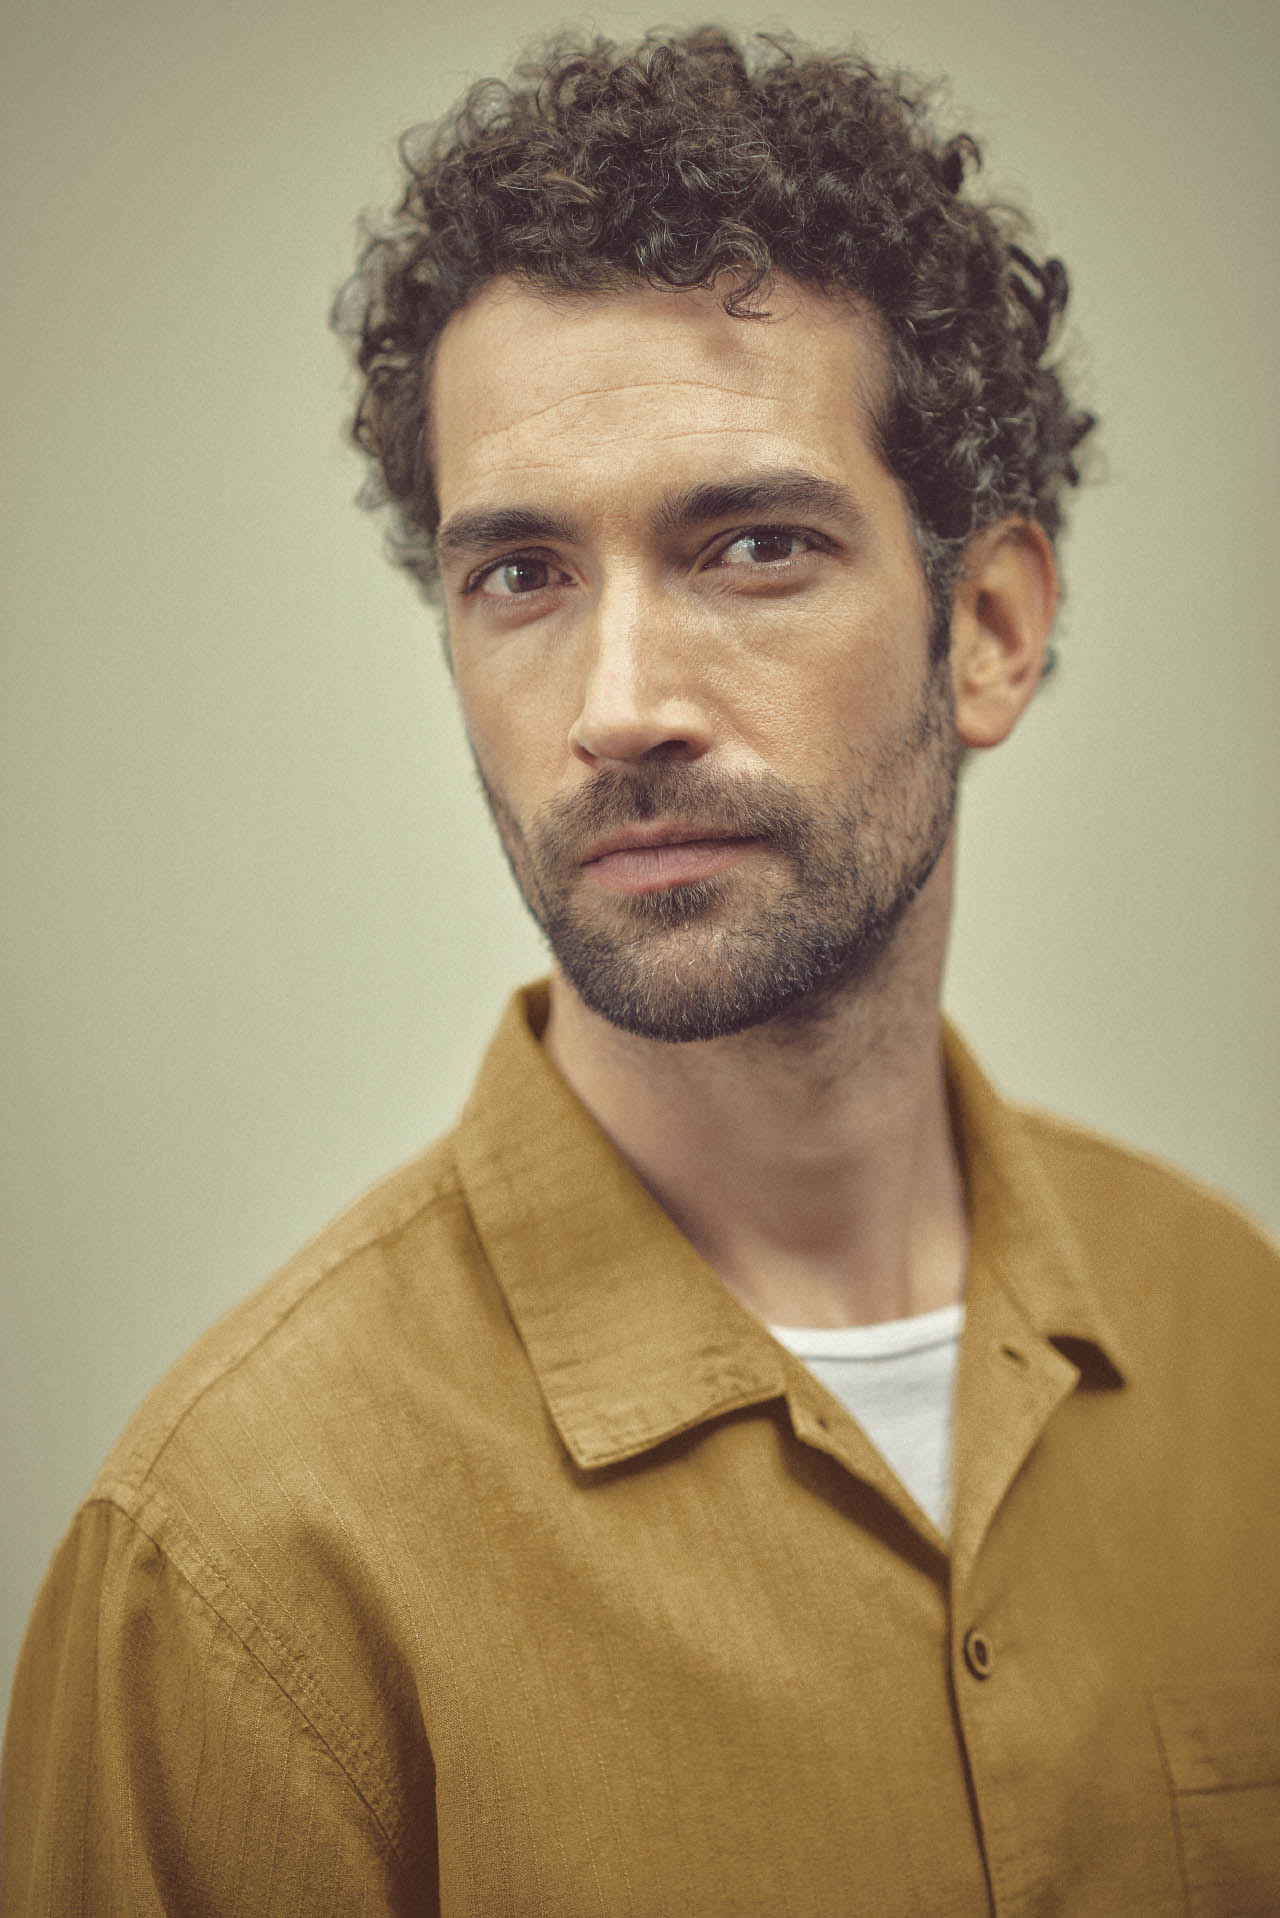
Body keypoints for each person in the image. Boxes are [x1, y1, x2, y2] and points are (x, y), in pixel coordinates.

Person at [4, 26, 1278, 1916]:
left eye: (752, 545)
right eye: (521, 576)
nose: (616, 708)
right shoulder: (235, 1562)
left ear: (991, 630)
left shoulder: (1239, 1336)